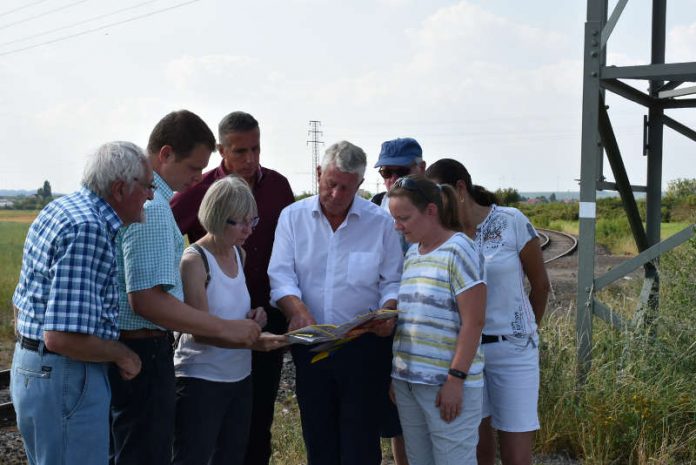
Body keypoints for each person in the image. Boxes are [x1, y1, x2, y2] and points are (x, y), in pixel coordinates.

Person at [110, 110, 262, 465]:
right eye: (194, 168)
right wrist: (225, 328)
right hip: (146, 348)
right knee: (145, 452)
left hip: (145, 347)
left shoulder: (152, 203)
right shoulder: (154, 207)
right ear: (165, 154)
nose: (197, 180)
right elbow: (146, 299)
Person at [11, 141, 150, 465]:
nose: (150, 196)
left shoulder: (61, 208)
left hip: (35, 369)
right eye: (146, 186)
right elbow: (62, 337)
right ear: (119, 189)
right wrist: (123, 354)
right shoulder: (88, 228)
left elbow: (26, 305)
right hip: (66, 375)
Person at [268, 140, 404, 465]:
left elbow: (393, 281)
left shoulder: (380, 223)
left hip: (364, 348)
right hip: (312, 347)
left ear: (359, 184)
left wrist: (390, 310)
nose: (336, 195)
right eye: (330, 184)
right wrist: (297, 311)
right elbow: (281, 276)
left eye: (346, 188)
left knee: (361, 445)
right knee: (319, 439)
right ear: (318, 174)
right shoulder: (292, 218)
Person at [171, 111, 294, 465]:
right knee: (202, 443)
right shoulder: (199, 191)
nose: (250, 159)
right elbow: (160, 228)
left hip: (258, 315)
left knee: (253, 427)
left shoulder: (277, 187)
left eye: (256, 148)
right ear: (221, 150)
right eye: (240, 151)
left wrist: (265, 316)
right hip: (211, 340)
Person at [426, 159, 550, 465]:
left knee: (516, 454)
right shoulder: (445, 236)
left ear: (459, 189)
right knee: (477, 448)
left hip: (514, 353)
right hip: (467, 355)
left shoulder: (511, 221)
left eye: (439, 197)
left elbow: (541, 285)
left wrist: (524, 330)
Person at [387, 175, 487, 465]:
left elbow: (474, 322)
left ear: (431, 211)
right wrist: (399, 374)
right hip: (408, 383)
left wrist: (456, 379)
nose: (397, 226)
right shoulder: (413, 256)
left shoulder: (460, 250)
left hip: (446, 386)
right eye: (394, 218)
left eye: (404, 217)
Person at [371, 137, 426, 465]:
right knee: (398, 419)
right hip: (392, 326)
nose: (393, 179)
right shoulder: (375, 207)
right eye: (386, 172)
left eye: (401, 170)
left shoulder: (440, 209)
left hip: (432, 328)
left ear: (421, 167)